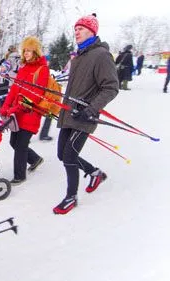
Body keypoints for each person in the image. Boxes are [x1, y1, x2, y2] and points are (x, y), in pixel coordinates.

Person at [54, 13, 119, 215]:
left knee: (69, 156)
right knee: (61, 154)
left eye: (80, 28)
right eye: (75, 29)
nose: (76, 32)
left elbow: (111, 87)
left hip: (85, 116)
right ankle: (94, 172)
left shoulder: (101, 55)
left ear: (92, 31)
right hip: (69, 114)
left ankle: (71, 197)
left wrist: (90, 109)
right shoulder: (78, 57)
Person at [0, 36, 48, 185]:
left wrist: (15, 108)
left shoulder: (42, 70)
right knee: (14, 142)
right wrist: (5, 107)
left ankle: (19, 175)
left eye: (30, 50)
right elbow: (14, 90)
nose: (26, 53)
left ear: (36, 52)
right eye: (25, 50)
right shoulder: (24, 68)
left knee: (20, 145)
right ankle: (35, 159)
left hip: (30, 113)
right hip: (17, 114)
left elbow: (35, 96)